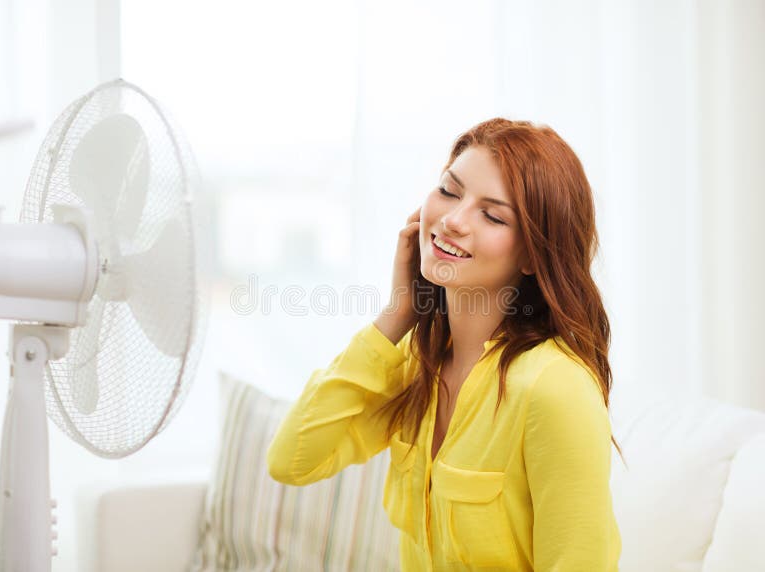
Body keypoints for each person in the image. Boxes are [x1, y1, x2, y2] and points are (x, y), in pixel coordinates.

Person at [266, 118, 623, 571]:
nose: (453, 220)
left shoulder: (554, 389)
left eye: (492, 215)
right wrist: (397, 314)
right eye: (449, 192)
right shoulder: (417, 363)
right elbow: (292, 460)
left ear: (534, 254)